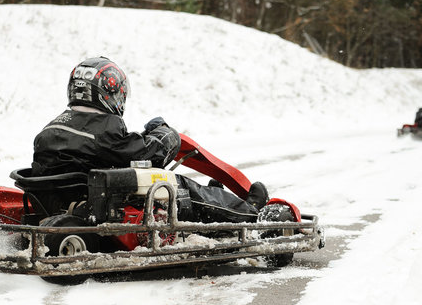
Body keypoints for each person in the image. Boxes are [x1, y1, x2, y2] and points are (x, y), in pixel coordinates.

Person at [31, 56, 268, 223]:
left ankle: (220, 200)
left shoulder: (52, 127)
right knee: (179, 187)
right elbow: (148, 156)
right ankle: (248, 211)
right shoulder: (106, 129)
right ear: (111, 92)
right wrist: (164, 133)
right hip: (102, 204)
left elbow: (114, 150)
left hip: (62, 199)